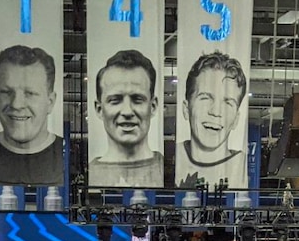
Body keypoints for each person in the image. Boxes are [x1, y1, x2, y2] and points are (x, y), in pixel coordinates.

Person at [0, 44, 64, 186]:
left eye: (30, 93)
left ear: (50, 102)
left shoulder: (66, 156)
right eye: (6, 92)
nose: (16, 104)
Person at [89, 48, 163, 188]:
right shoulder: (88, 175)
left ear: (152, 106)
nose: (127, 111)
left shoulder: (169, 172)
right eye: (115, 100)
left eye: (137, 99)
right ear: (99, 109)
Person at [178, 52, 247, 189]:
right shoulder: (169, 159)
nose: (215, 112)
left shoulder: (244, 167)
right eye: (205, 98)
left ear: (236, 119)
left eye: (228, 102)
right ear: (186, 109)